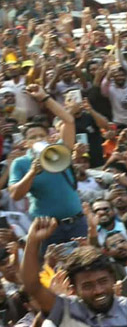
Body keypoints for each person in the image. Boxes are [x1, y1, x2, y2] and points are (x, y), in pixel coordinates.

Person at [9, 89, 86, 245]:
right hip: (48, 229)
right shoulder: (21, 163)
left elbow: (69, 121)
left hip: (77, 223)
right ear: (25, 143)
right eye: (33, 137)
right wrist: (31, 173)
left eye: (41, 136)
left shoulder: (59, 150)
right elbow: (15, 195)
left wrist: (45, 98)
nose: (38, 139)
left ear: (49, 137)